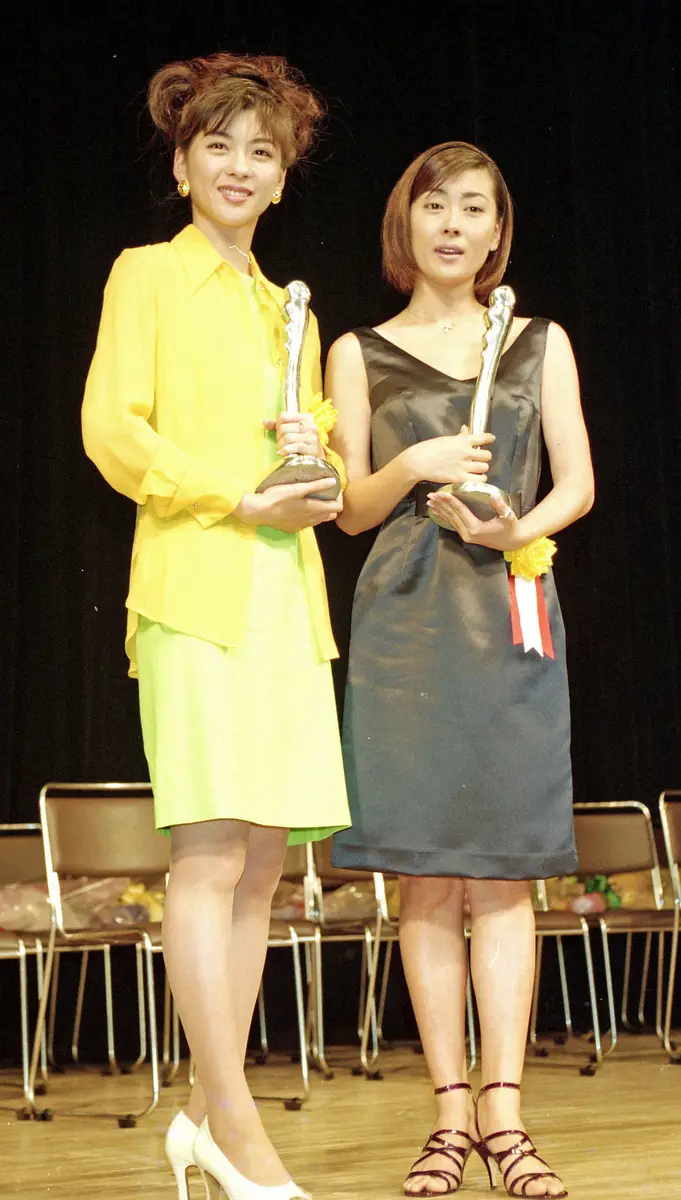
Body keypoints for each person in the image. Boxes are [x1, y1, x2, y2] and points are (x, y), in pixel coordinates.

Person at [82, 52, 350, 1200]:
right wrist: (232, 499)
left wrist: (319, 471)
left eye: (263, 151)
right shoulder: (147, 274)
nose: (241, 166)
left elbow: (322, 460)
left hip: (288, 599)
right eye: (219, 146)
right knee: (205, 852)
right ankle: (237, 1126)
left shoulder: (291, 309)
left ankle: (203, 1112)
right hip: (194, 586)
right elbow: (113, 427)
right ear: (185, 165)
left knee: (261, 868)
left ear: (283, 179)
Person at [328, 141, 594, 1198]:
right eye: (433, 204)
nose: (451, 224)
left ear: (496, 232)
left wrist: (515, 528)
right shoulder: (359, 351)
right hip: (404, 626)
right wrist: (412, 464)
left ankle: (507, 1118)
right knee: (428, 877)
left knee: (504, 874)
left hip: (510, 614)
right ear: (406, 222)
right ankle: (449, 1119)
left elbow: (577, 482)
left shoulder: (537, 341)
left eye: (472, 208)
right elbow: (349, 508)